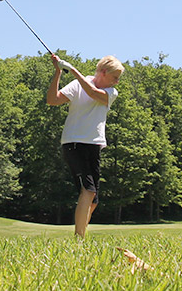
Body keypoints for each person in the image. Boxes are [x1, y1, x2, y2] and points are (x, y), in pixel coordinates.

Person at [46, 53, 124, 238]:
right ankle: (79, 240)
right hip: (74, 143)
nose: (117, 82)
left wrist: (72, 69)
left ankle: (80, 236)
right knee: (88, 191)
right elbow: (52, 100)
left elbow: (92, 93)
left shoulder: (111, 93)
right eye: (115, 78)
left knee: (94, 199)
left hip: (94, 146)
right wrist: (58, 72)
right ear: (104, 72)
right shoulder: (78, 84)